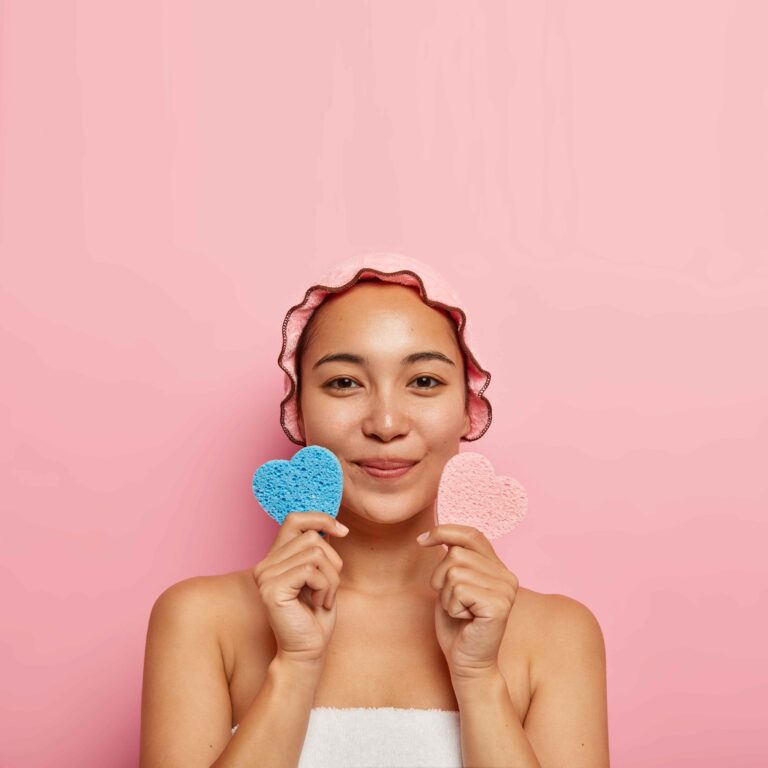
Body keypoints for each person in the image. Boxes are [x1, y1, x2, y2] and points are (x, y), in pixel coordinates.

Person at [139, 253, 610, 767]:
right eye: (344, 382)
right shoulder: (200, 623)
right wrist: (295, 665)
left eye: (424, 381)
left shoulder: (560, 637)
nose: (386, 423)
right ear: (299, 411)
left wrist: (479, 679)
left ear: (467, 410)